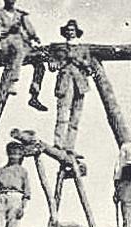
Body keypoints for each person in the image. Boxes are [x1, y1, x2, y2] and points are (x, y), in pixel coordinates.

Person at [46, 19, 95, 152]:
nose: (70, 32)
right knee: (62, 114)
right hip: (65, 82)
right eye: (68, 30)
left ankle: (70, 146)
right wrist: (55, 63)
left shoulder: (83, 49)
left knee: (76, 117)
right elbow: (52, 65)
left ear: (76, 32)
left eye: (72, 30)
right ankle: (58, 143)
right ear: (65, 33)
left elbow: (90, 69)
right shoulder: (58, 48)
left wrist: (79, 60)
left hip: (80, 84)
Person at [0, 0, 48, 112]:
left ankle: (34, 95)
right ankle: (13, 81)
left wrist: (35, 38)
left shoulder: (20, 14)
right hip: (8, 42)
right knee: (18, 51)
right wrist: (8, 30)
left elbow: (30, 30)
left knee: (40, 64)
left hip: (23, 42)